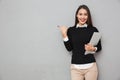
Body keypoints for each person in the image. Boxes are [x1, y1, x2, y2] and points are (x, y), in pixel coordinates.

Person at [58, 5, 102, 80]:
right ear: (76, 15)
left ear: (88, 16)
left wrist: (93, 48)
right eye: (80, 14)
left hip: (91, 67)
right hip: (75, 68)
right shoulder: (71, 30)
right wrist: (64, 35)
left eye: (85, 14)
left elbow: (99, 47)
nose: (82, 17)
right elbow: (69, 48)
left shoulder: (93, 29)